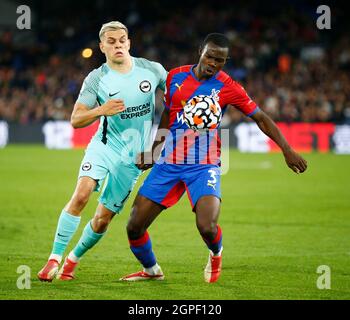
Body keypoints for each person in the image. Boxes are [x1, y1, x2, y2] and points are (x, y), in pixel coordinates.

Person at [119, 33, 308, 283]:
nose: (213, 63)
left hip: (203, 164)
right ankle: (152, 271)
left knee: (207, 226)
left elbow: (260, 117)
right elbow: (168, 113)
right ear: (201, 51)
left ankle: (216, 253)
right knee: (134, 226)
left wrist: (287, 149)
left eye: (219, 60)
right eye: (210, 56)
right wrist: (155, 149)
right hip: (169, 163)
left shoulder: (228, 86)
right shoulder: (175, 76)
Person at [37, 21, 167, 281]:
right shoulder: (97, 78)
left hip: (133, 157)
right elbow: (76, 119)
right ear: (102, 46)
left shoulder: (153, 70)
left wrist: (157, 147)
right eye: (111, 41)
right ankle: (53, 259)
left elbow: (175, 102)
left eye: (122, 40)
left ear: (129, 43)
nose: (118, 44)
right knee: (82, 194)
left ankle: (72, 261)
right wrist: (100, 110)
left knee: (103, 219)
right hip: (104, 145)